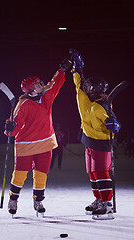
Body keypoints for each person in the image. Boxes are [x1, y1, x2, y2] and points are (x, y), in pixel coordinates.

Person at [4, 55, 72, 216]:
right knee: (20, 174)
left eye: (41, 82)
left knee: (41, 174)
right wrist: (9, 127)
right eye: (38, 84)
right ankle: (13, 199)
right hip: (26, 145)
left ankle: (38, 200)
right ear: (31, 90)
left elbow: (54, 83)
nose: (42, 85)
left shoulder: (47, 95)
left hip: (45, 144)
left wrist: (62, 69)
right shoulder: (23, 105)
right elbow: (13, 130)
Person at [70, 49, 120, 220]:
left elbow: (113, 124)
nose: (84, 86)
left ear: (95, 89)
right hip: (88, 142)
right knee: (92, 173)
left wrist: (115, 125)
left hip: (101, 144)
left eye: (88, 85)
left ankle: (107, 205)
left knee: (101, 173)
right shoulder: (83, 97)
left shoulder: (102, 106)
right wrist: (77, 67)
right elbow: (78, 82)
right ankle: (98, 200)